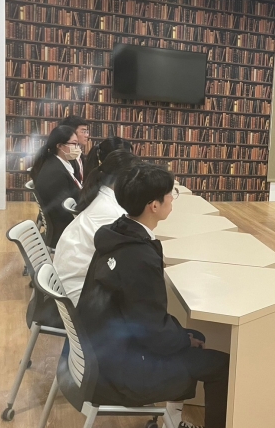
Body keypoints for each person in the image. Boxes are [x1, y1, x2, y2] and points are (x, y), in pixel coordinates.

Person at [77, 163, 229, 427]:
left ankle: (173, 419)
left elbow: (146, 321)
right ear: (154, 206)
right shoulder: (139, 257)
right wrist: (183, 339)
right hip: (125, 372)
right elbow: (153, 332)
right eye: (170, 193)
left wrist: (181, 337)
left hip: (102, 353)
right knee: (222, 366)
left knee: (193, 335)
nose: (173, 198)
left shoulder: (116, 232)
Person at [53, 150, 140, 306]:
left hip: (74, 281)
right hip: (80, 294)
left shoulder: (101, 195)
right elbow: (126, 261)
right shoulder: (111, 212)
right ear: (124, 180)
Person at [30, 125, 82, 248]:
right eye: (74, 144)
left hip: (65, 220)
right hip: (63, 228)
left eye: (77, 144)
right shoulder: (55, 172)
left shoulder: (59, 162)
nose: (77, 148)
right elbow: (63, 209)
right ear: (59, 146)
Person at [59, 115, 90, 183]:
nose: (87, 135)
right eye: (83, 131)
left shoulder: (79, 154)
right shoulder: (65, 156)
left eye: (87, 132)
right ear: (71, 132)